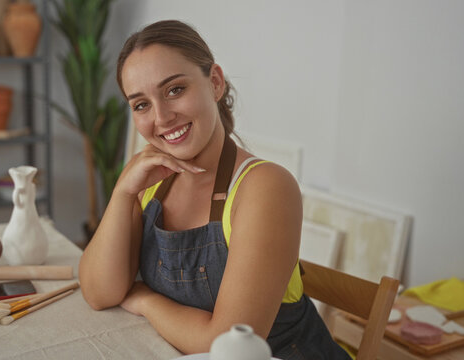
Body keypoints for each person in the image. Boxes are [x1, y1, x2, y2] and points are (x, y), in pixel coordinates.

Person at [79, 20, 350, 359]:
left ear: (216, 83)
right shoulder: (150, 181)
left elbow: (226, 345)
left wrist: (143, 299)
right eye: (141, 104)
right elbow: (98, 291)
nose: (161, 117)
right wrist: (122, 194)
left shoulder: (265, 188)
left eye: (175, 89)